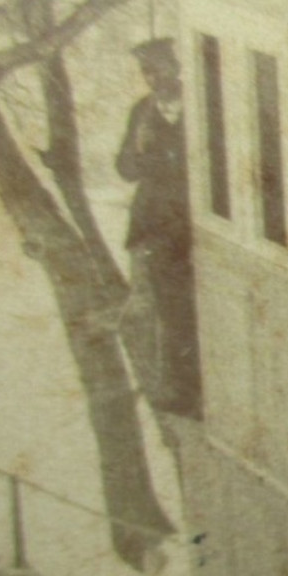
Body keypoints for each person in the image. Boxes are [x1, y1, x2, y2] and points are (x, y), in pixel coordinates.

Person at [116, 37, 200, 417]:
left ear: (176, 68)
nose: (152, 78)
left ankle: (199, 387)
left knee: (197, 305)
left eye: (158, 69)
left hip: (195, 223)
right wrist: (138, 150)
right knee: (169, 310)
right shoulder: (142, 113)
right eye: (146, 72)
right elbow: (125, 169)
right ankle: (183, 392)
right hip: (157, 226)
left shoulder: (201, 106)